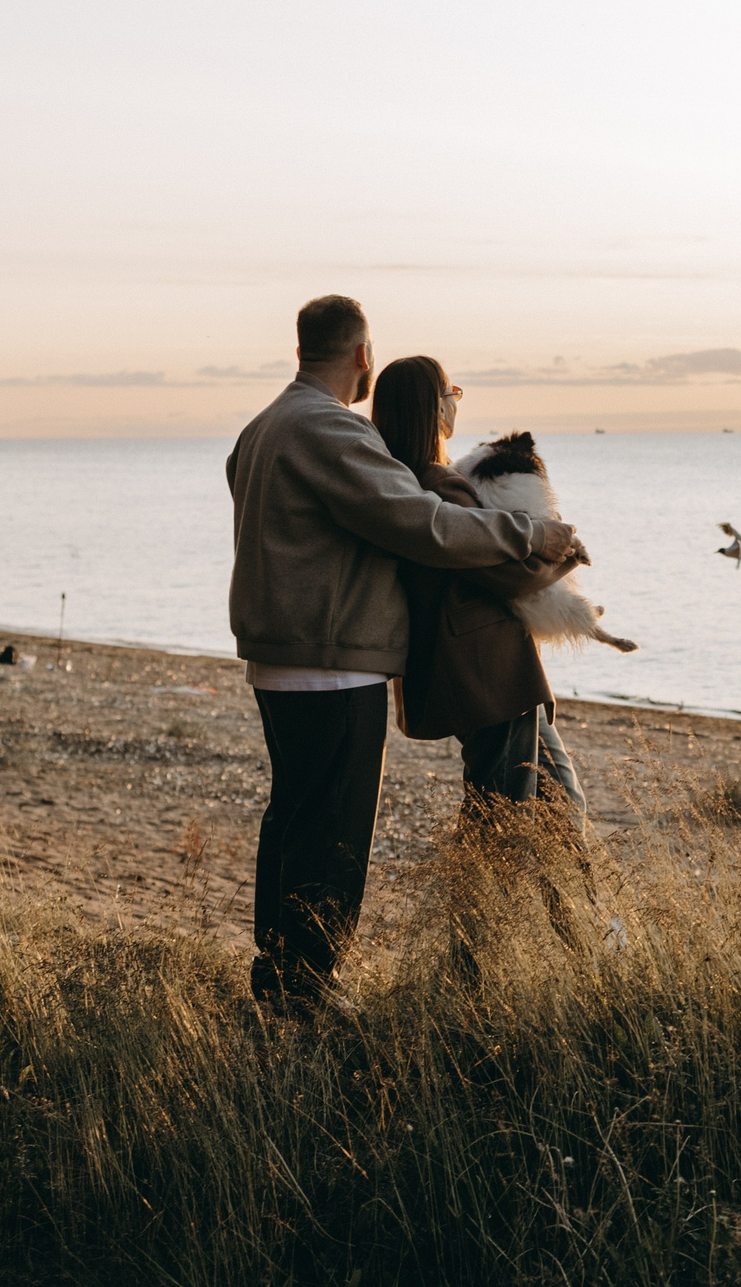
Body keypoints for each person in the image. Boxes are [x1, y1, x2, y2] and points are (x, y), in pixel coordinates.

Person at [224, 295, 582, 1008]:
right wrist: (528, 536)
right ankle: (309, 988)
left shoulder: (262, 429)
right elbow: (427, 525)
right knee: (333, 831)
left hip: (278, 657)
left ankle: (281, 976)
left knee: (292, 819)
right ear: (361, 355)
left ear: (301, 349)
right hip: (330, 664)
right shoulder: (328, 429)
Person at [368, 355, 589, 823]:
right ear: (435, 409)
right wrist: (565, 554)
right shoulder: (441, 485)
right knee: (509, 814)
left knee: (552, 806)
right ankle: (488, 897)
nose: (456, 403)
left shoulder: (402, 482)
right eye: (451, 393)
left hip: (474, 674)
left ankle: (553, 896)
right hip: (488, 675)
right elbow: (504, 574)